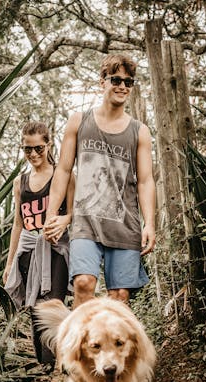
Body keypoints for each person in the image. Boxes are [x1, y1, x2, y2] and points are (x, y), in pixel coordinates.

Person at [44, 54, 156, 308]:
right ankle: (79, 347)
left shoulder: (139, 131)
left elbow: (145, 181)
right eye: (115, 79)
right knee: (83, 284)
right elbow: (63, 170)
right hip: (86, 222)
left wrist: (149, 224)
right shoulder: (79, 121)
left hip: (125, 225)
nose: (122, 86)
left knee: (120, 298)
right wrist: (52, 214)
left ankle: (113, 348)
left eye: (129, 82)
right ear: (102, 82)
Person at [3, 121, 75, 382]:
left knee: (53, 310)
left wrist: (63, 224)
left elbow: (75, 214)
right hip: (28, 251)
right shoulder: (19, 183)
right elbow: (18, 225)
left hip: (56, 251)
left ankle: (64, 372)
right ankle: (44, 379)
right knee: (35, 314)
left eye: (38, 148)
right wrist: (10, 263)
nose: (33, 154)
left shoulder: (63, 175)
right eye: (27, 149)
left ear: (49, 145)